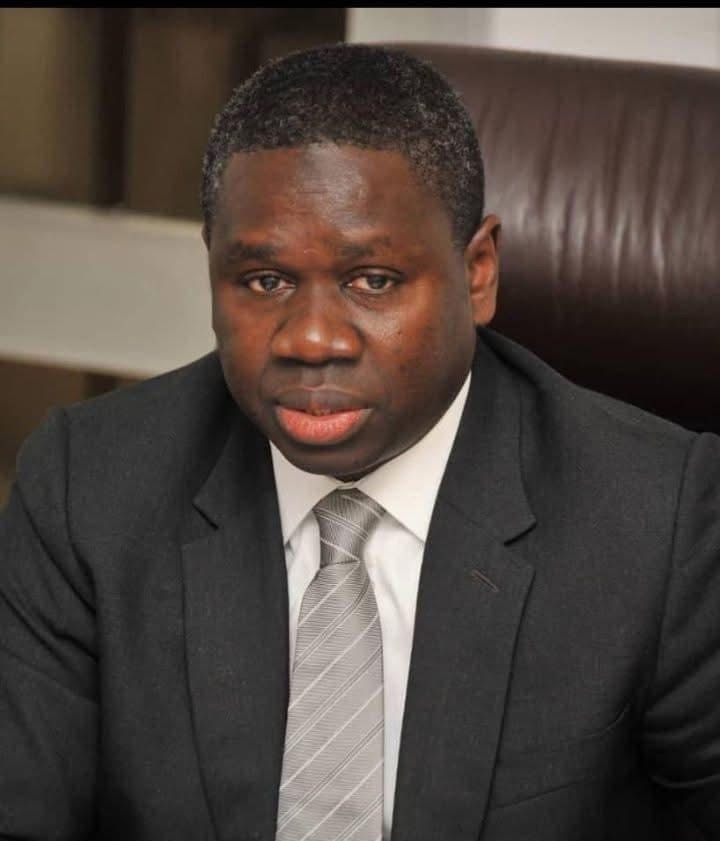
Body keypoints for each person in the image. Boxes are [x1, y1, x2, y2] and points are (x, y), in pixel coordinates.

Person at [1, 43, 719, 841]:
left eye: (372, 280)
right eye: (265, 281)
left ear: (478, 272)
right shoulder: (88, 487)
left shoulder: (658, 522)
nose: (311, 340)